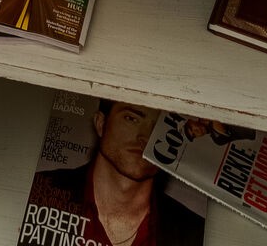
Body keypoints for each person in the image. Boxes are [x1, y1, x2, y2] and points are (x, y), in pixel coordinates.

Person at [26, 100, 200, 245]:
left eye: (159, 128)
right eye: (131, 119)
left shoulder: (194, 232)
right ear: (101, 124)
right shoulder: (35, 190)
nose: (145, 137)